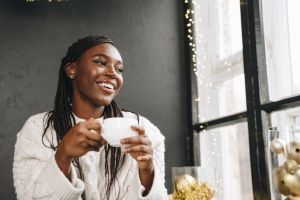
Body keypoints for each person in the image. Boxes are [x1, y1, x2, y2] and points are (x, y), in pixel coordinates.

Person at [13, 35, 168, 200]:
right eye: (101, 62)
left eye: (119, 69)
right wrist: (62, 156)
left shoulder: (144, 130)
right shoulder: (37, 130)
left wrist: (147, 172)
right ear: (72, 69)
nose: (113, 73)